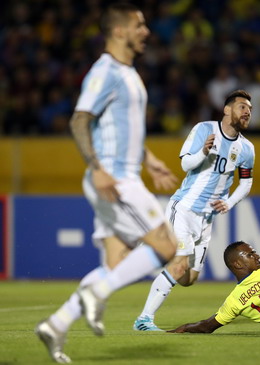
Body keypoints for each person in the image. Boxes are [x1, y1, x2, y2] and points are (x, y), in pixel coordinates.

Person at [35, 3, 179, 363]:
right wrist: (97, 168)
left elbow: (121, 128)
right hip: (115, 179)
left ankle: (57, 323)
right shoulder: (105, 71)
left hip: (123, 174)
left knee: (117, 263)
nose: (146, 31)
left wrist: (151, 159)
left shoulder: (129, 72)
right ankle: (93, 295)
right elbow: (79, 120)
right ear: (118, 31)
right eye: (139, 25)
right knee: (167, 246)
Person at [133, 89, 255, 331]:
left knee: (189, 278)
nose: (247, 112)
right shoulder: (204, 130)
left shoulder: (247, 148)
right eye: (242, 107)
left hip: (206, 219)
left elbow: (247, 182)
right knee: (179, 266)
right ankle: (144, 320)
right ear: (227, 109)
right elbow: (185, 163)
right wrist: (202, 152)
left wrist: (229, 202)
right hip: (186, 208)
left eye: (250, 110)